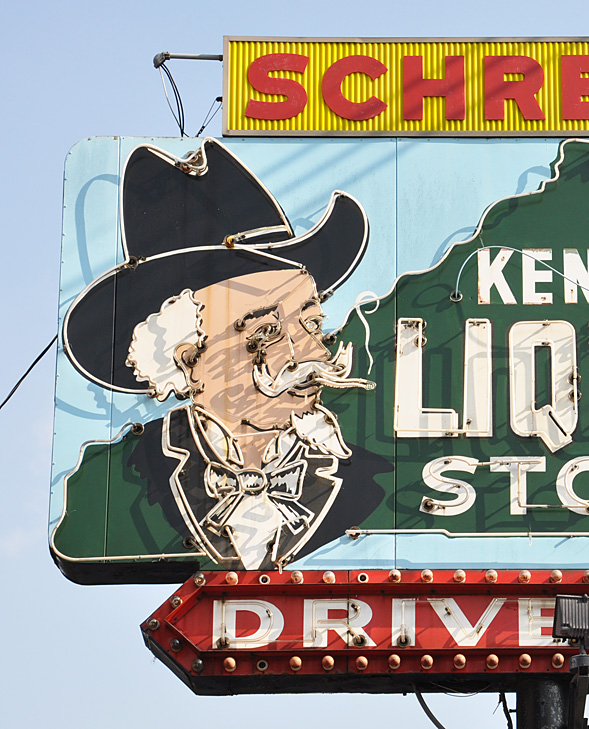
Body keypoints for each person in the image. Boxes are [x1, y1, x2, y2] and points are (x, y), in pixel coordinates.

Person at [52, 139, 384, 582]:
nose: (313, 354)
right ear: (188, 358)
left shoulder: (374, 479)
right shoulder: (109, 484)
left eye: (311, 324)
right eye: (266, 332)